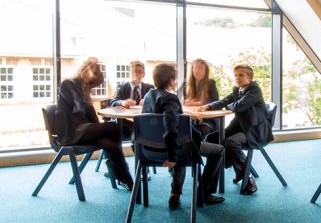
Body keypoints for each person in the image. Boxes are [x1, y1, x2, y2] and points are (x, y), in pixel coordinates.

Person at [142, 63, 225, 209]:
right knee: (218, 150)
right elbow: (170, 128)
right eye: (175, 79)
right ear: (171, 80)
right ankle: (204, 195)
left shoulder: (149, 95)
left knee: (181, 142)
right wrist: (172, 156)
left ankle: (175, 194)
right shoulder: (170, 98)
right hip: (174, 151)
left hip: (149, 150)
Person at [55, 58, 134, 190]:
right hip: (72, 132)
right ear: (84, 71)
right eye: (90, 82)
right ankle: (121, 175)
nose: (91, 86)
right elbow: (79, 108)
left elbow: (90, 115)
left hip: (84, 130)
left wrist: (99, 126)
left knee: (110, 144)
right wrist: (87, 95)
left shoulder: (83, 89)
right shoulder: (68, 84)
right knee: (114, 128)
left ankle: (126, 180)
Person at [200, 64, 272, 195]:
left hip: (254, 130)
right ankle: (220, 168)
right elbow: (225, 101)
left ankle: (247, 178)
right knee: (211, 138)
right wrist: (208, 107)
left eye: (241, 75)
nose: (237, 78)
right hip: (240, 127)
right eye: (235, 75)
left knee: (231, 142)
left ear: (249, 78)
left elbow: (239, 106)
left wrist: (229, 105)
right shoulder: (237, 90)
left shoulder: (254, 90)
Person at [110, 60, 154, 138]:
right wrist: (123, 102)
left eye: (139, 71)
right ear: (129, 73)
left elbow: (156, 102)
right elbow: (113, 102)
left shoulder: (150, 88)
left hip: (144, 119)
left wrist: (147, 100)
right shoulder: (122, 87)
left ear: (143, 74)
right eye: (133, 71)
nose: (136, 74)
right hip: (126, 120)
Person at [181, 58, 220, 137]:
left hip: (207, 120)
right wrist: (185, 101)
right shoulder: (186, 83)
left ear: (206, 71)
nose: (198, 70)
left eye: (201, 68)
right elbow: (178, 98)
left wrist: (200, 103)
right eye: (196, 67)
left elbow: (215, 101)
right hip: (190, 118)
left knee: (199, 133)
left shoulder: (210, 83)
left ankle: (202, 148)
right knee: (183, 130)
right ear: (192, 70)